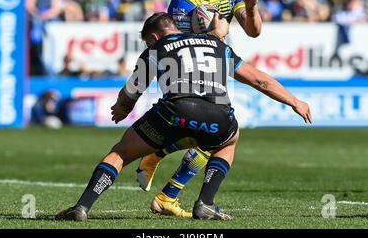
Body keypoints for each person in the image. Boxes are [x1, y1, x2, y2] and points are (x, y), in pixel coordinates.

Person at [55, 12, 311, 221]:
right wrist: (294, 101)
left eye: (147, 42)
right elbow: (259, 80)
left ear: (154, 37)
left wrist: (121, 108)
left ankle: (82, 207)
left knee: (120, 153)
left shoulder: (156, 49)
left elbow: (132, 91)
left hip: (174, 112)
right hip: (218, 114)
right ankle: (206, 203)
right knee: (229, 141)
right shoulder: (217, 46)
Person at [136, 0, 266, 217]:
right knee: (218, 134)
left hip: (213, 67)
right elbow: (183, 47)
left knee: (214, 136)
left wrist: (252, 6)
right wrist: (216, 35)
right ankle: (166, 183)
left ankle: (164, 182)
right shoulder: (185, 0)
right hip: (185, 73)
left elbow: (254, 31)